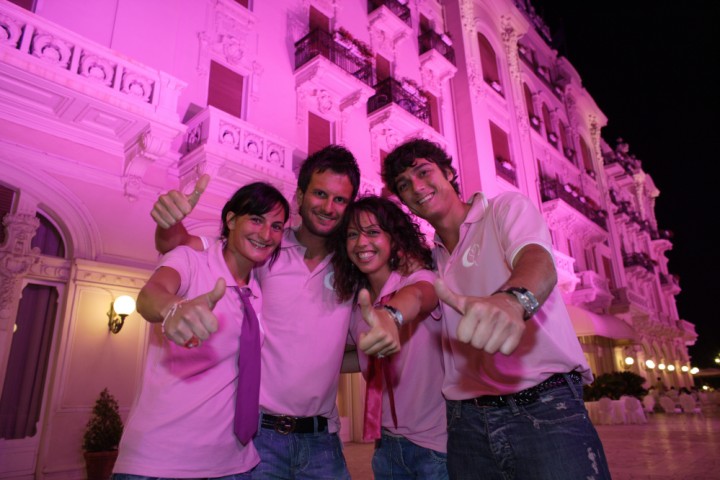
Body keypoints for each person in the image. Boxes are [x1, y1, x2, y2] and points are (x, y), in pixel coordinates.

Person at [151, 145, 401, 479]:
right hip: (260, 438)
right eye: (320, 194)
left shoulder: (353, 265)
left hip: (323, 443)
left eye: (340, 200)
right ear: (299, 195)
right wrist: (170, 222)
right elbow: (182, 246)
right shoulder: (266, 246)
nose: (328, 207)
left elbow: (340, 349)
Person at [382, 138, 612, 479]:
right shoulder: (433, 261)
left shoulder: (504, 210)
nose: (416, 187)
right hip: (466, 425)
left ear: (448, 172)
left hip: (545, 408)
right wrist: (390, 315)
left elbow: (537, 260)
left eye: (423, 172)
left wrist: (513, 300)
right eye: (404, 185)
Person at [113, 182, 290, 479]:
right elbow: (149, 295)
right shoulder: (191, 261)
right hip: (161, 461)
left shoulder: (258, 291)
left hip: (236, 463)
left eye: (276, 226)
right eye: (256, 219)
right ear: (231, 220)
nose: (266, 234)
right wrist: (173, 308)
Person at [332, 195, 448, 479]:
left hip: (435, 448)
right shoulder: (357, 306)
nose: (361, 243)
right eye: (352, 235)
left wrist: (391, 316)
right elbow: (350, 355)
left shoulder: (417, 279)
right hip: (384, 447)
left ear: (394, 238)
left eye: (372, 232)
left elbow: (421, 296)